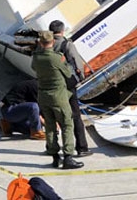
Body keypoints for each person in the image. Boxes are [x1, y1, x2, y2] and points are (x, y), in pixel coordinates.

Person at [31, 31, 84, 170]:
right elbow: (67, 73)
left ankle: (54, 156)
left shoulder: (36, 58)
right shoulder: (56, 58)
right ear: (53, 42)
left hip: (43, 96)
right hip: (58, 96)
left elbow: (33, 68)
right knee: (67, 125)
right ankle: (68, 157)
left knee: (50, 127)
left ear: (40, 43)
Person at [49, 20, 92, 157]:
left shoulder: (45, 45)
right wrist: (81, 77)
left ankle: (52, 147)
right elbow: (76, 62)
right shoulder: (66, 44)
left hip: (51, 84)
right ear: (62, 31)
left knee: (52, 116)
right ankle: (82, 147)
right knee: (75, 116)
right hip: (67, 84)